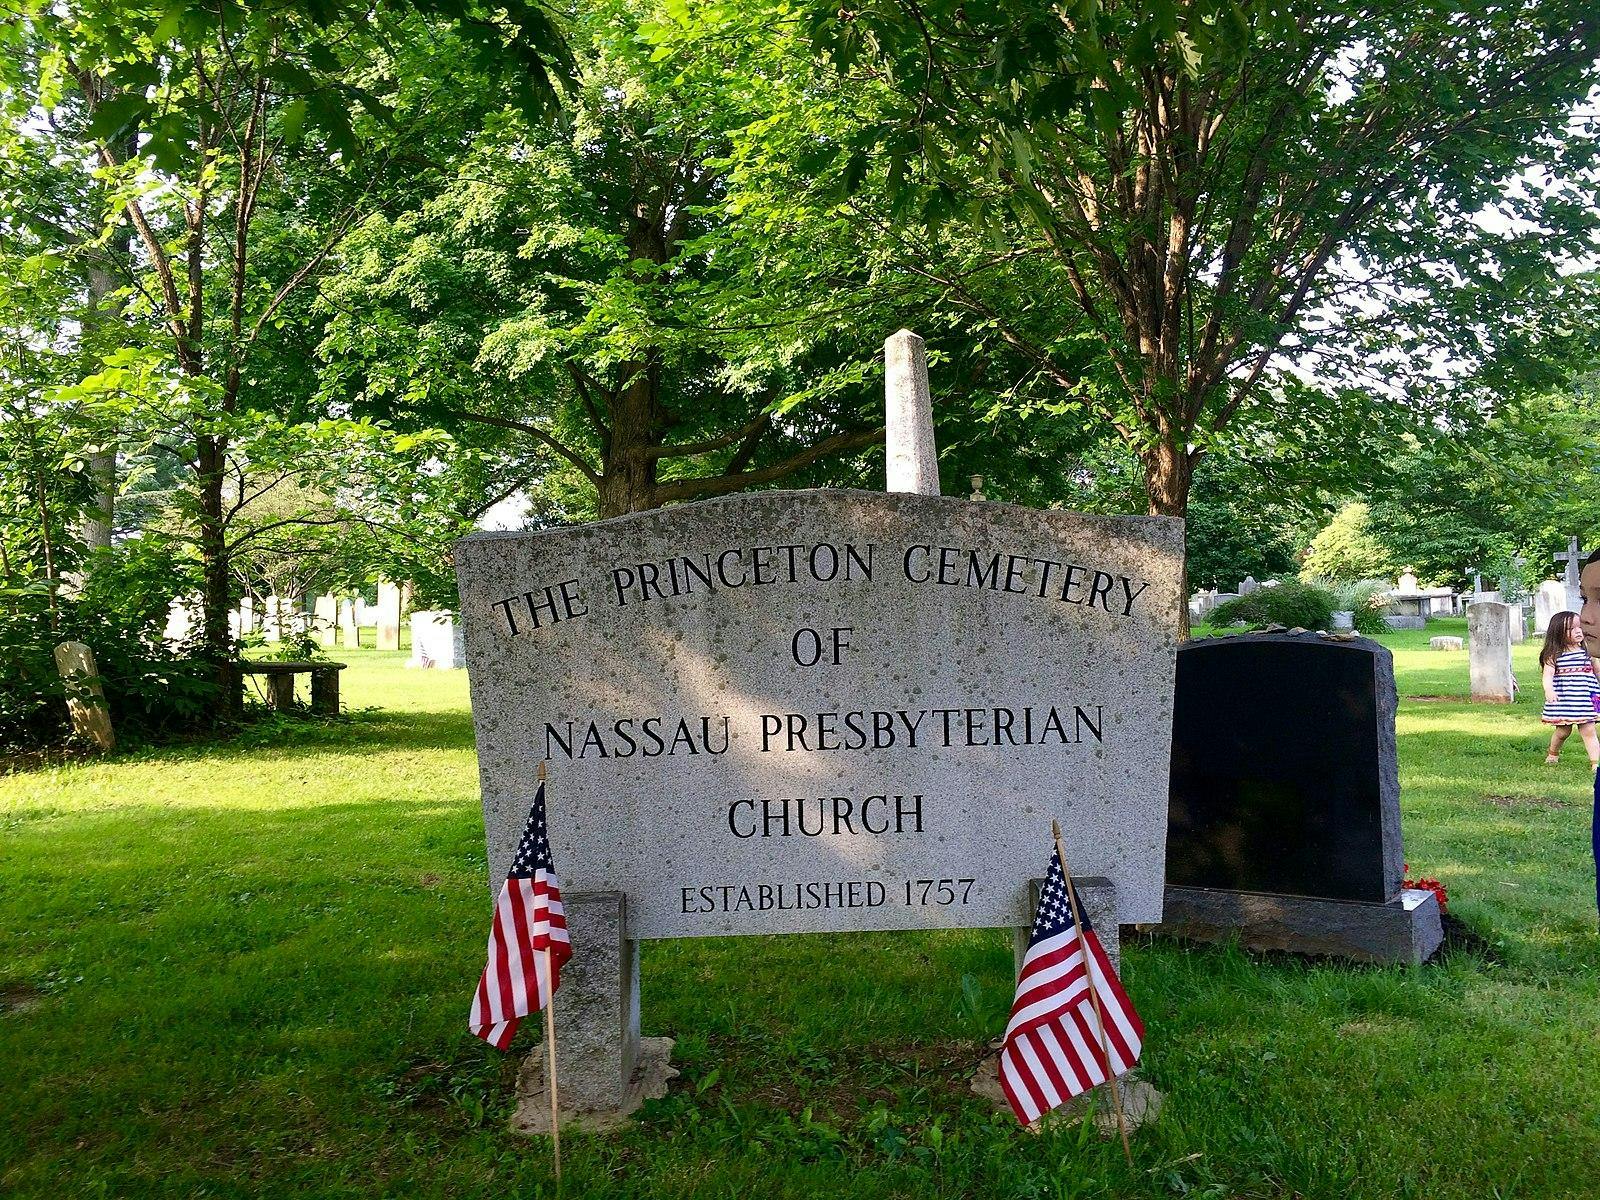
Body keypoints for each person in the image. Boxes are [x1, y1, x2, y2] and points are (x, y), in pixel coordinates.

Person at [1539, 611, 1599, 767]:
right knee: (1563, 732)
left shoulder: (1588, 650)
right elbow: (1547, 676)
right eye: (1572, 629)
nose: (1578, 631)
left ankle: (1595, 763)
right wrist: (1549, 690)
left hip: (1586, 698)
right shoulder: (1554, 654)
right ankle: (1553, 753)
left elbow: (1597, 671)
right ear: (1558, 632)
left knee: (1588, 730)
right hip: (1566, 699)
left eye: (1580, 627)